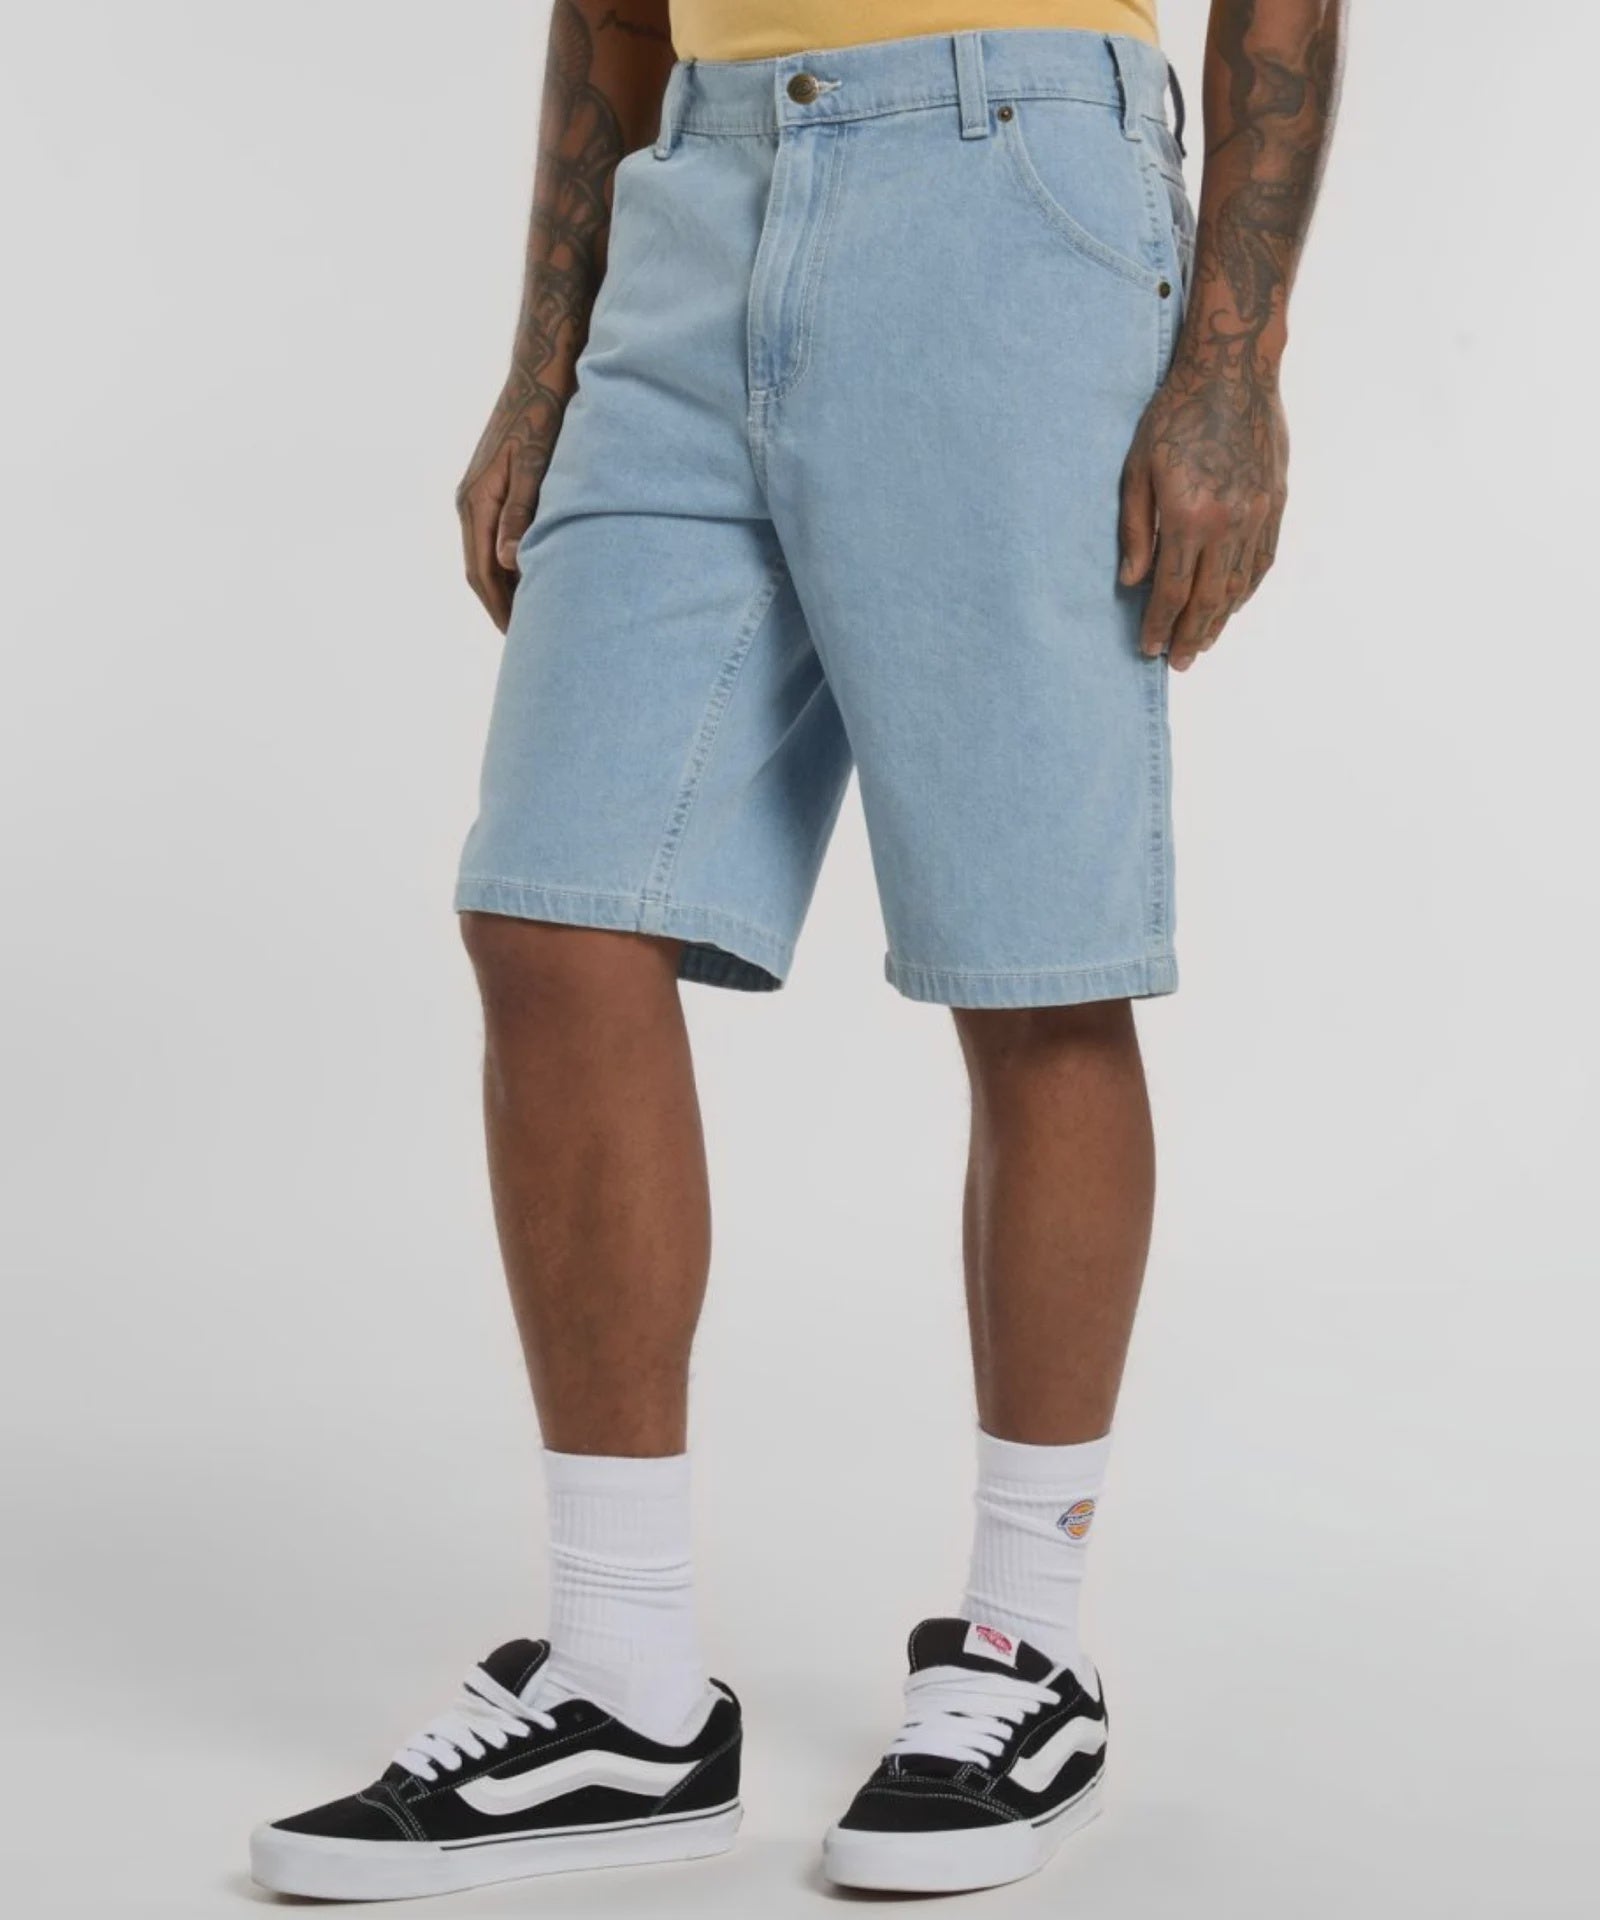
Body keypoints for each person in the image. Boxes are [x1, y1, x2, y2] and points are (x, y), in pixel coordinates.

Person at [251, 0, 1343, 1899]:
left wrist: (1234, 363)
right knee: (551, 908)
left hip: (1012, 193)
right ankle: (623, 1682)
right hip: (696, 205)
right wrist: (542, 364)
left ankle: (1027, 1646)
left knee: (1032, 963)